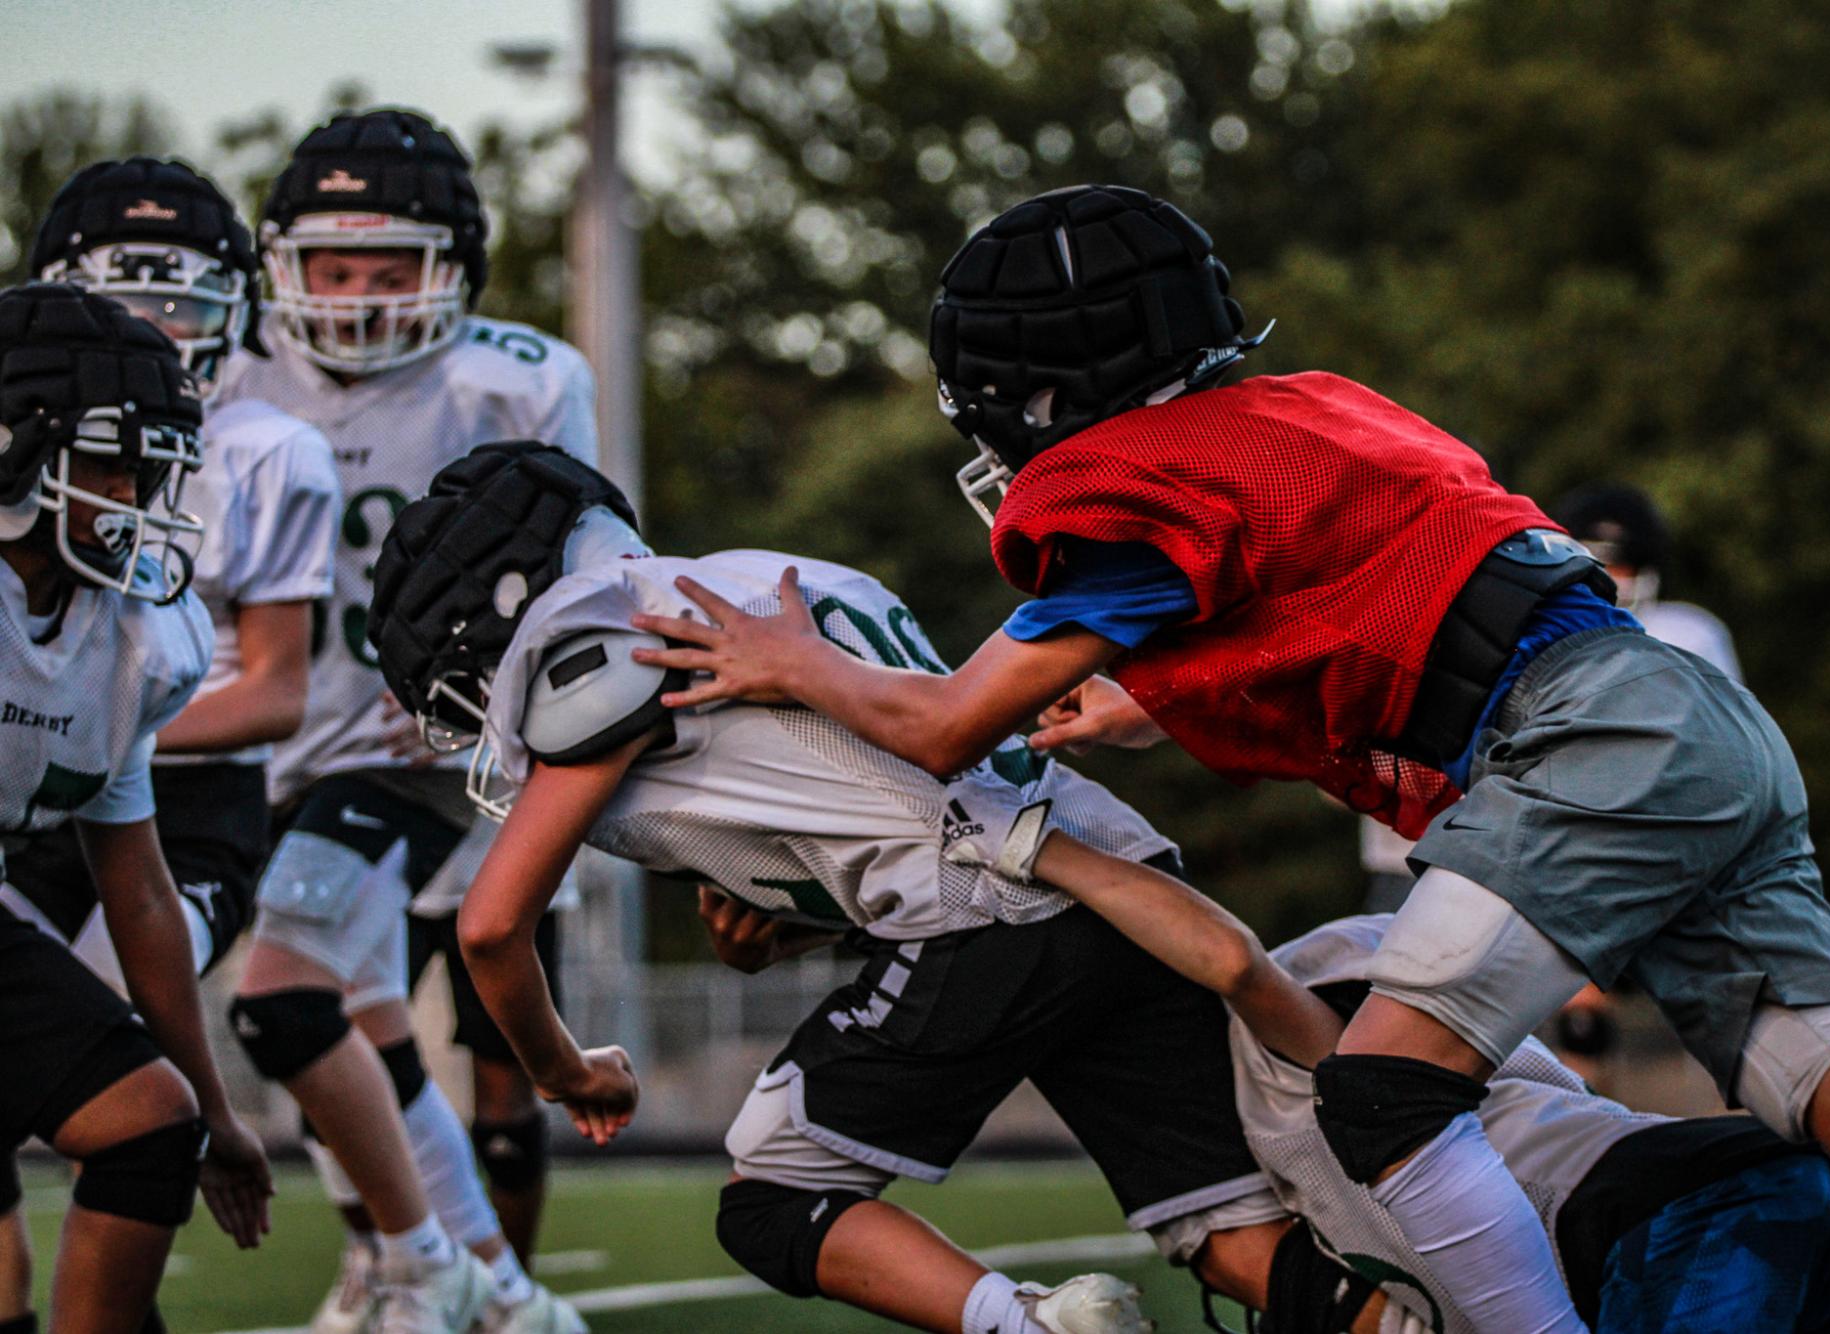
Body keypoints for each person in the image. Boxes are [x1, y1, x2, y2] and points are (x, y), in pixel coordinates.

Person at [635, 185, 1830, 1331]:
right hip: (1682, 728)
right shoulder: (1308, 411)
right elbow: (1390, 609)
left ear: (1046, 390)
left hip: (1595, 741)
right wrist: (1154, 707)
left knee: (1383, 1087)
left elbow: (942, 725)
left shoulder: (1123, 485)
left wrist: (791, 662)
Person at [360, 442, 1366, 1334]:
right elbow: (876, 801)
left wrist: (566, 1068)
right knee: (1231, 1228)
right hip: (1098, 875)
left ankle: (1027, 1324)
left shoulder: (598, 638)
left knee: (774, 1190)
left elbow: (493, 928)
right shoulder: (748, 578)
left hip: (990, 911)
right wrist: (790, 930)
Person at [1014, 833, 1830, 1333]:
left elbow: (1232, 962)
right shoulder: (1467, 1042)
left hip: (1669, 1217)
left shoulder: (1309, 1056)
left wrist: (1043, 846)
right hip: (1755, 1178)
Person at [213, 107, 592, 1333]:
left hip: (435, 757)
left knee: (313, 999)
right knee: (352, 1009)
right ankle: (469, 1280)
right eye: (334, 268)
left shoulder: (514, 380)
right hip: (263, 741)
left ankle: (446, 1271)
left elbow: (591, 572)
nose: (363, 297)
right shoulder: (226, 369)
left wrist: (472, 676)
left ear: (454, 271)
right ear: (285, 266)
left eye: (393, 270)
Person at [0, 282, 272, 1333]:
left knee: (153, 1120)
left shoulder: (133, 641)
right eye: (113, 459)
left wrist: (212, 1101)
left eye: (153, 466)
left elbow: (141, 891)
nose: (140, 492)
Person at [1548, 482, 1741, 681]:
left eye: (1619, 568)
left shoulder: (1691, 637)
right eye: (1590, 566)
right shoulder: (1540, 635)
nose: (1604, 578)